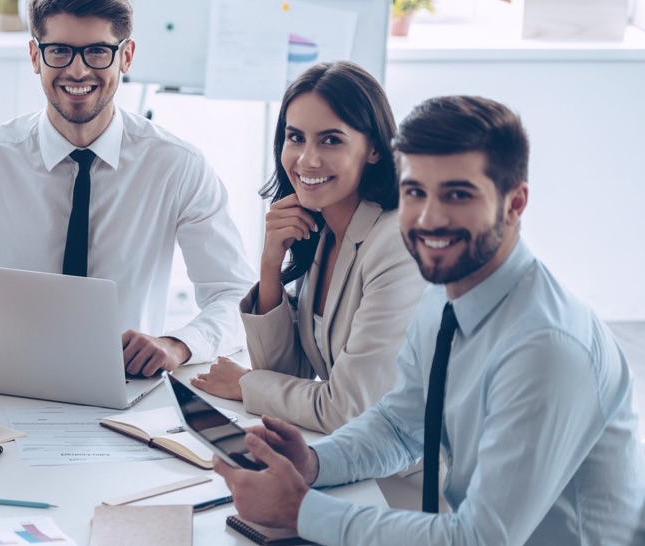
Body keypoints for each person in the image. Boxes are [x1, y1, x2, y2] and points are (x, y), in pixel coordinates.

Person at [213, 95, 645, 544]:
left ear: (515, 204)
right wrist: (315, 463)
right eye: (415, 192)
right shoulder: (445, 294)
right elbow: (401, 424)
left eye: (457, 194)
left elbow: (480, 538)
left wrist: (302, 511)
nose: (429, 218)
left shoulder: (545, 346)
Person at [0, 0, 255, 376]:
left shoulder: (177, 166)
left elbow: (237, 296)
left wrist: (179, 344)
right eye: (60, 51)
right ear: (35, 56)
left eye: (98, 52)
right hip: (7, 385)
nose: (78, 70)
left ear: (126, 56)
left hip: (128, 389)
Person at [190, 61, 425, 434]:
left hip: (413, 480)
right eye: (295, 137)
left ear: (375, 149)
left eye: (331, 140)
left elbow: (350, 409)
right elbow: (286, 374)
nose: (307, 159)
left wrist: (244, 385)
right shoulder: (324, 229)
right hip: (348, 455)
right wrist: (270, 266)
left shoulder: (396, 245)